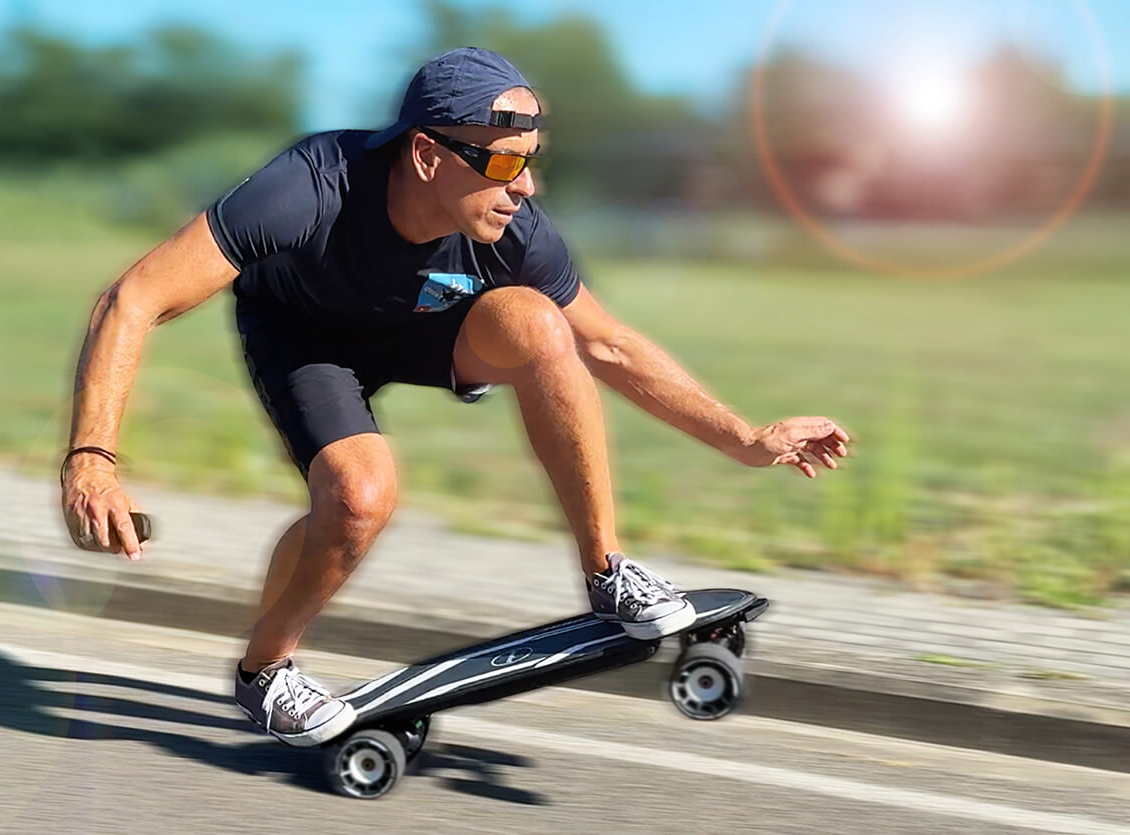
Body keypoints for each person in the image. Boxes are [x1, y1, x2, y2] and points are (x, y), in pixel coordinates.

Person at [60, 47, 850, 748]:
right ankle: (266, 670)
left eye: (533, 160)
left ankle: (606, 568)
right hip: (307, 338)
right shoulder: (306, 187)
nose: (525, 185)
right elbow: (134, 298)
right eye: (506, 162)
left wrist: (746, 439)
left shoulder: (516, 226)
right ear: (428, 155)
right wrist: (92, 460)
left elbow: (606, 343)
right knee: (358, 498)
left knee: (542, 322)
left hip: (420, 326)